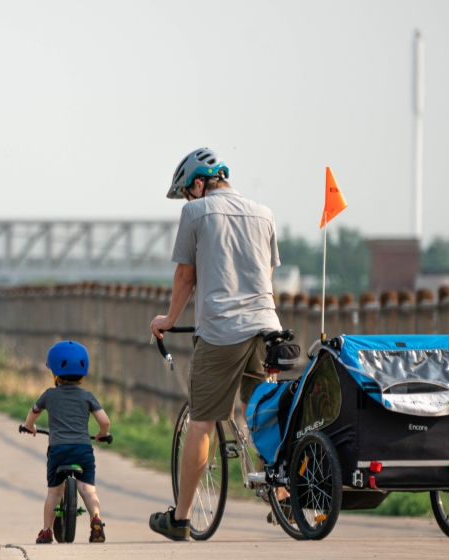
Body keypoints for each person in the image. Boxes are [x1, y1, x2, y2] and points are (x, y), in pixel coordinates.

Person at [147, 147, 282, 540]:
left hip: (222, 331)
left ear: (199, 184)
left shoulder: (195, 213)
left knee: (202, 421)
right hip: (267, 328)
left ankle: (181, 517)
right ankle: (285, 492)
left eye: (188, 192)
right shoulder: (264, 213)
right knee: (261, 411)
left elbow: (185, 277)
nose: (188, 200)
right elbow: (266, 278)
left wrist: (168, 320)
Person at [24, 341, 111, 544]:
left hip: (58, 450)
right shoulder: (88, 397)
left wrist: (30, 427)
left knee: (54, 492)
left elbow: (32, 414)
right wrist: (101, 434)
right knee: (88, 490)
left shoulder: (49, 395)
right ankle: (96, 520)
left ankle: (46, 531)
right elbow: (105, 421)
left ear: (54, 372)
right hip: (83, 450)